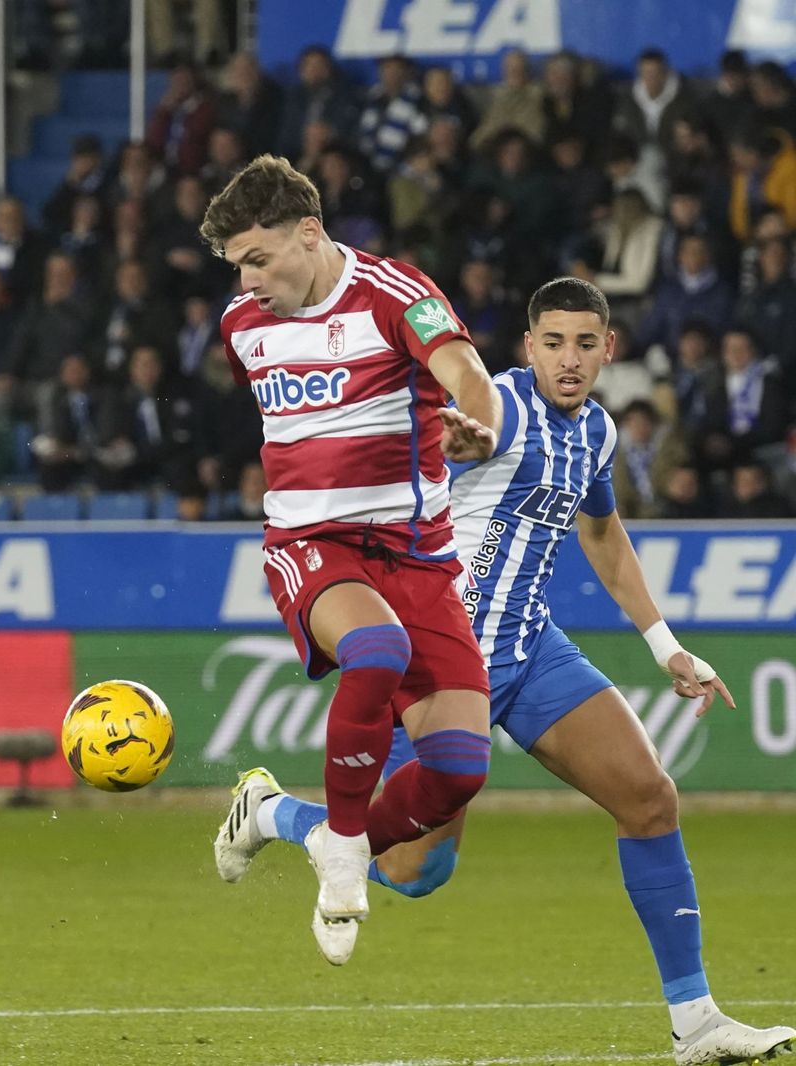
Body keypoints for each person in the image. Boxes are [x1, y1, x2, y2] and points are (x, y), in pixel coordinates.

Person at [228, 277, 795, 1066]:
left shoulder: (596, 432)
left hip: (531, 651)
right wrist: (447, 446)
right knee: (415, 871)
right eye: (553, 343)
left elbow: (603, 535)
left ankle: (696, 1024)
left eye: (585, 344)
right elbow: (437, 439)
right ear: (529, 347)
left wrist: (665, 644)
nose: (570, 360)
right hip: (441, 664)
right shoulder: (494, 406)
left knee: (650, 798)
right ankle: (270, 812)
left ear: (608, 349)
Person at [200, 155, 502, 966]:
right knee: (376, 647)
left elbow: (467, 374)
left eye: (258, 259)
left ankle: (285, 819)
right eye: (236, 266)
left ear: (309, 232)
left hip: (417, 556)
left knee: (457, 771)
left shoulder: (396, 295)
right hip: (310, 544)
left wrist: (477, 429)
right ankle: (341, 856)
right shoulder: (242, 325)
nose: (248, 283)